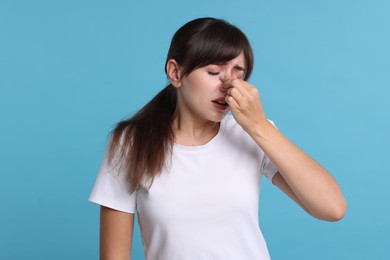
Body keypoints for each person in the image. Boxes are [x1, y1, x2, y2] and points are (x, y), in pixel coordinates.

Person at [89, 17, 347, 260]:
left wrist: (259, 127)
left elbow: (332, 208)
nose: (228, 85)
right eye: (214, 72)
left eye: (238, 73)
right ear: (175, 73)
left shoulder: (253, 134)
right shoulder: (131, 143)